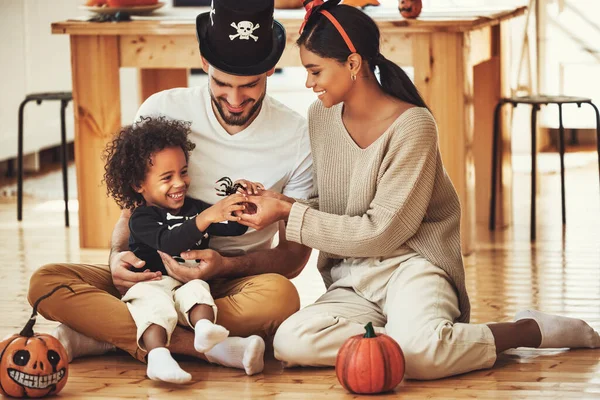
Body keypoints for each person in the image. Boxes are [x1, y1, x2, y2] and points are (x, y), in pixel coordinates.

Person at [234, 0, 600, 380]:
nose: (309, 84)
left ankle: (527, 330)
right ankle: (417, 337)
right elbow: (322, 206)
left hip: (413, 266)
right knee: (292, 342)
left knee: (421, 357)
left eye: (315, 70)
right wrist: (277, 202)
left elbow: (382, 232)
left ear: (353, 64)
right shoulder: (320, 116)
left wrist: (288, 212)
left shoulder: (414, 126)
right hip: (354, 276)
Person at [27, 0, 313, 374]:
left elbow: (293, 257)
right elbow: (132, 212)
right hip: (151, 272)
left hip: (231, 285)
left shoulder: (298, 136)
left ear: (271, 69)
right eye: (221, 83)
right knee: (45, 283)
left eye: (249, 86)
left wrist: (224, 264)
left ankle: (108, 335)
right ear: (204, 61)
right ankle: (200, 347)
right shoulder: (162, 108)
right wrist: (117, 257)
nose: (234, 100)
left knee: (281, 298)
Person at [103, 116, 270, 382]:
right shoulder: (142, 218)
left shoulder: (195, 208)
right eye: (167, 177)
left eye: (183, 172)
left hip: (186, 281)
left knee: (199, 291)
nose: (179, 183)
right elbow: (169, 242)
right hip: (151, 282)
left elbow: (230, 229)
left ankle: (204, 328)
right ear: (139, 185)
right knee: (153, 306)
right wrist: (207, 217)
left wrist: (240, 206)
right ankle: (158, 357)